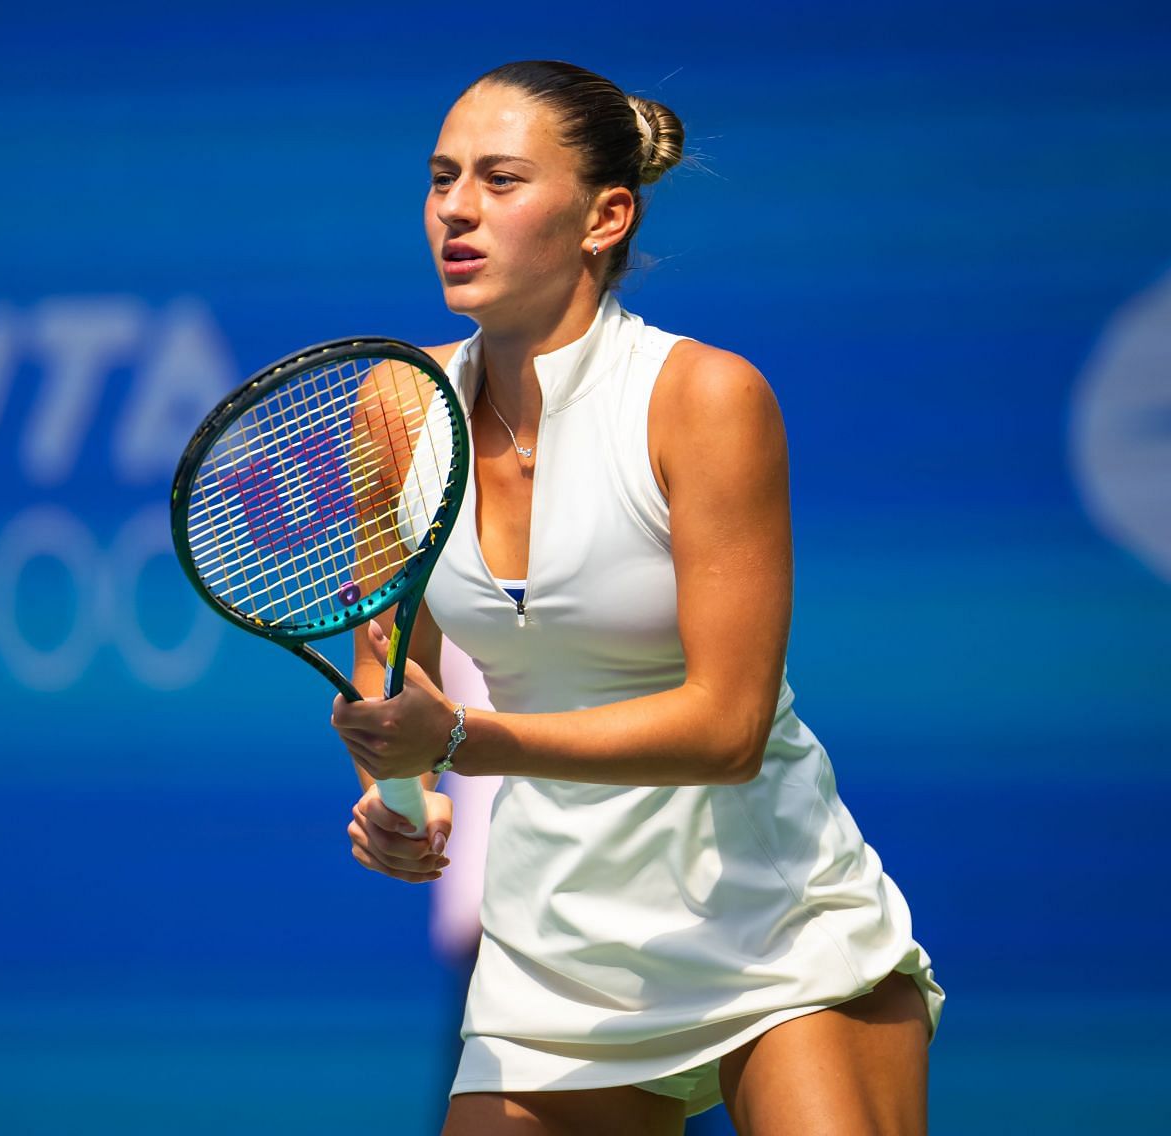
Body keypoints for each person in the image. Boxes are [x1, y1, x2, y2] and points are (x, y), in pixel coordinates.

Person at [329, 61, 942, 1136]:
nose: (457, 209)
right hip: (554, 945)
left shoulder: (704, 398)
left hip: (769, 922)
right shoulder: (397, 406)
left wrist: (463, 741)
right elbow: (395, 665)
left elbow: (728, 727)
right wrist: (403, 782)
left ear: (604, 217)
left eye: (502, 180)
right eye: (442, 179)